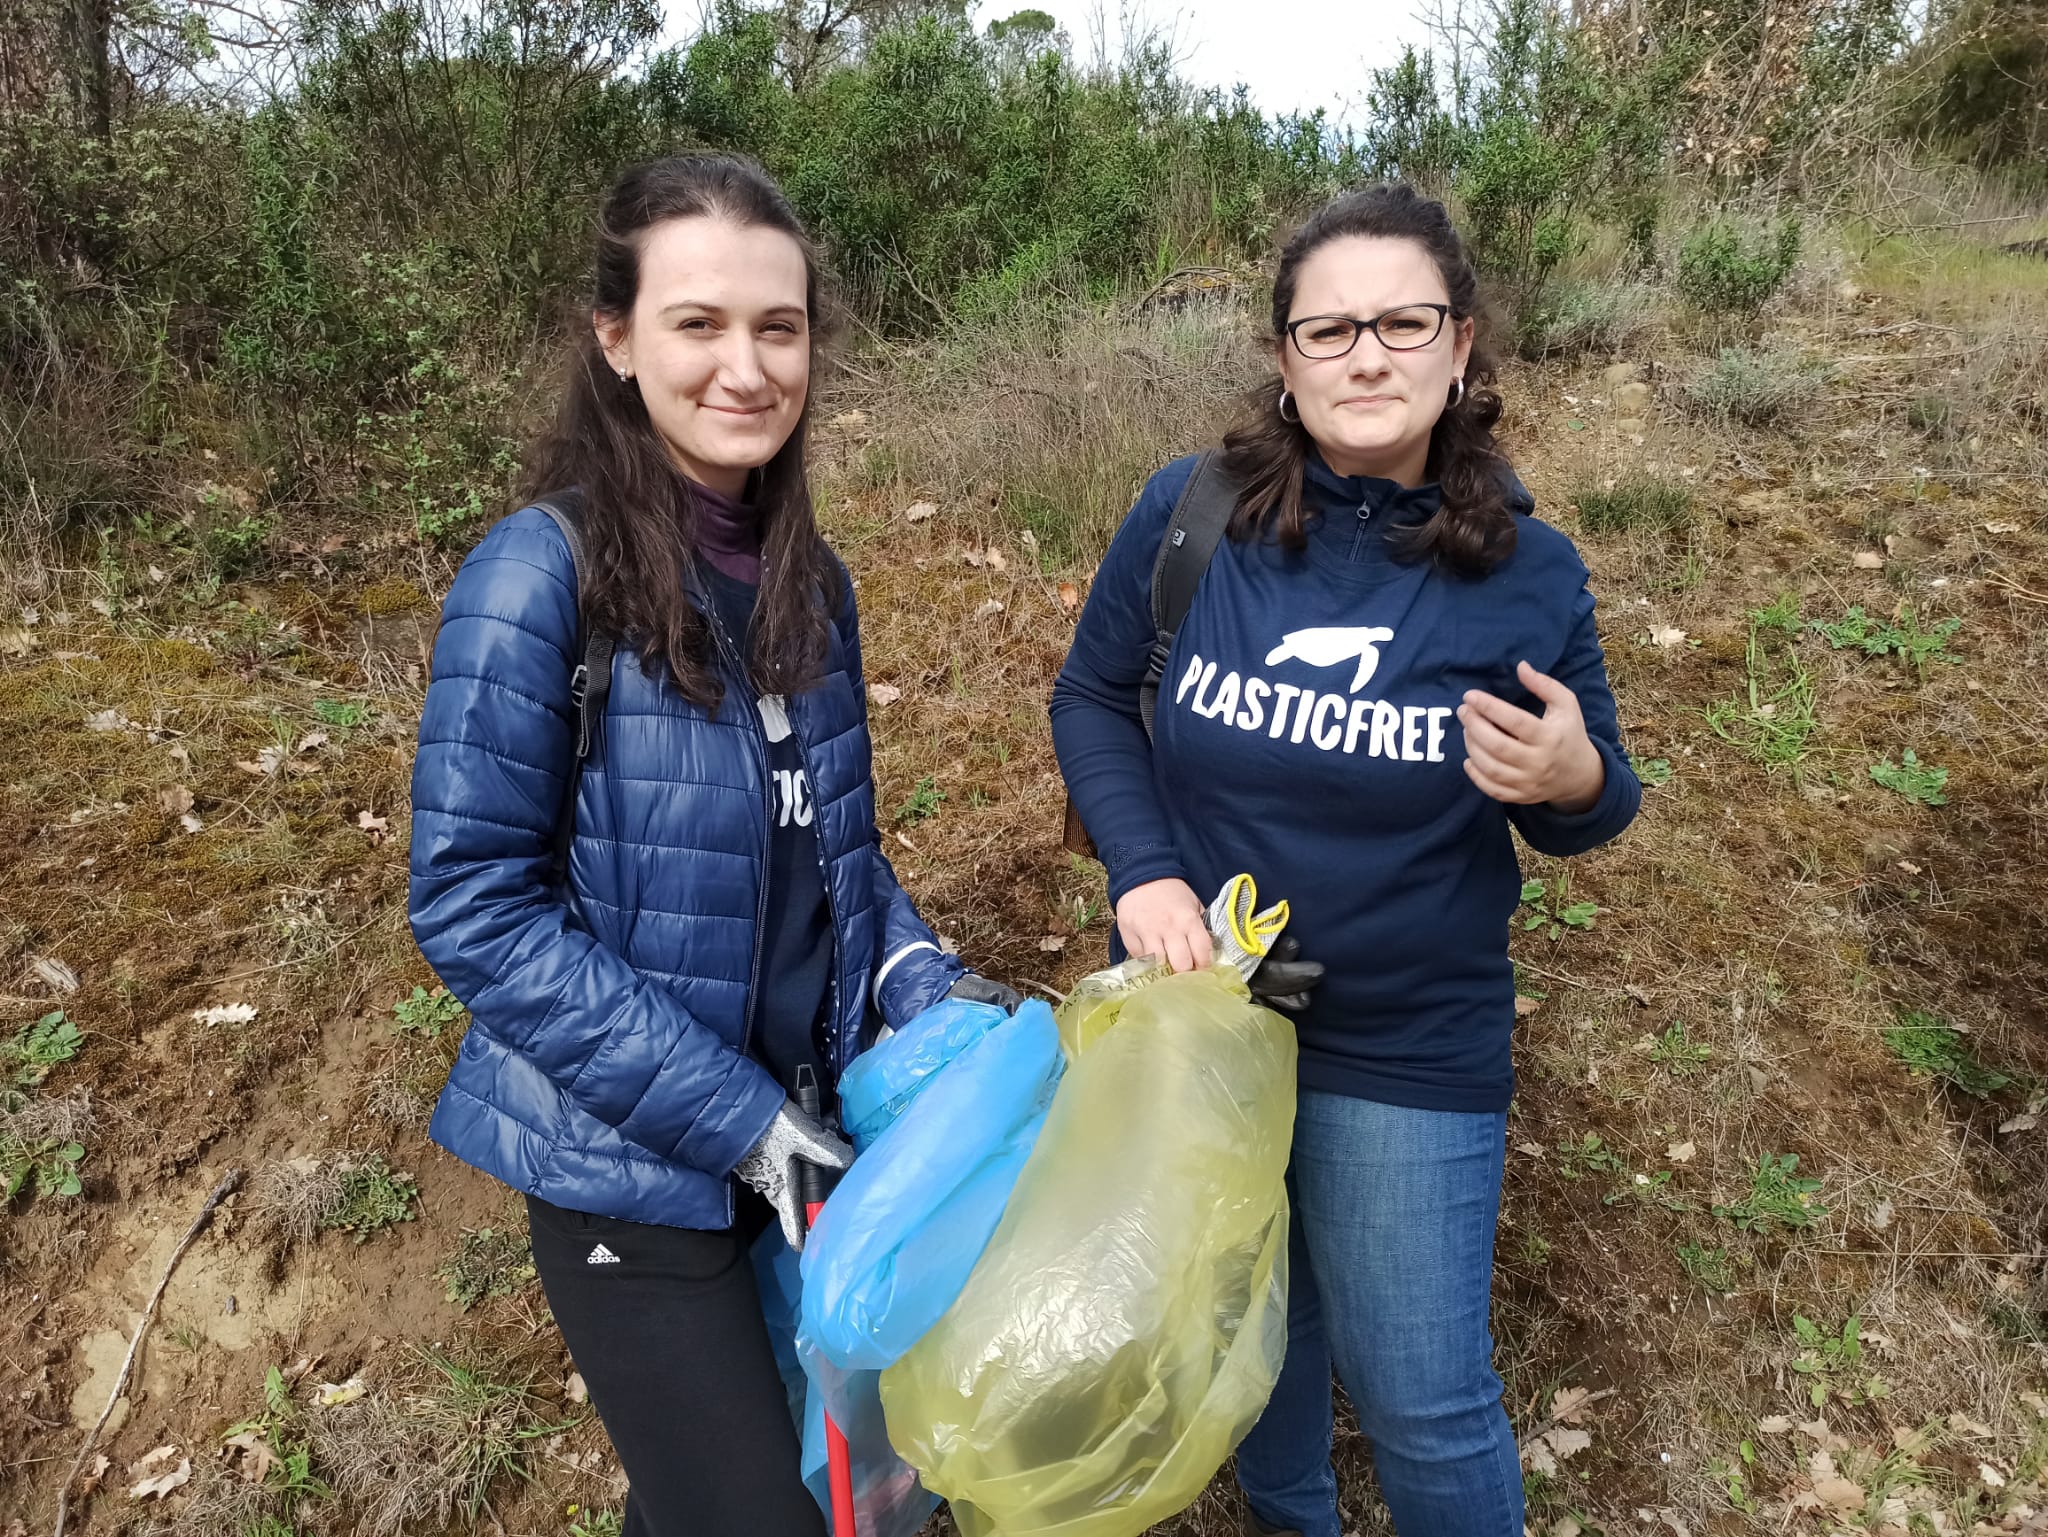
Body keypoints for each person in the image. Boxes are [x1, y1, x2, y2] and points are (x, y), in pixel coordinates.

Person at [408, 153, 1016, 1537]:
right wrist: (746, 1127)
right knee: (765, 1514)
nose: (745, 366)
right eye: (699, 323)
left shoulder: (813, 580)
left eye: (778, 327)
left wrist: (926, 985)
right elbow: (471, 906)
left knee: (732, 1499)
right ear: (616, 340)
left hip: (801, 1130)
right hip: (632, 1162)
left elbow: (835, 851)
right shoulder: (536, 572)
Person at [1049, 183, 1641, 1537]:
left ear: (1461, 345)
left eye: (1401, 321)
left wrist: (1575, 777)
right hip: (1207, 1016)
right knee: (1260, 1346)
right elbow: (1090, 698)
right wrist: (1142, 870)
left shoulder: (1529, 574)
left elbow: (1589, 807)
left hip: (1405, 1040)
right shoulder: (1193, 518)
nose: (1366, 355)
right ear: (1284, 359)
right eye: (1329, 330)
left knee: (1424, 1402)